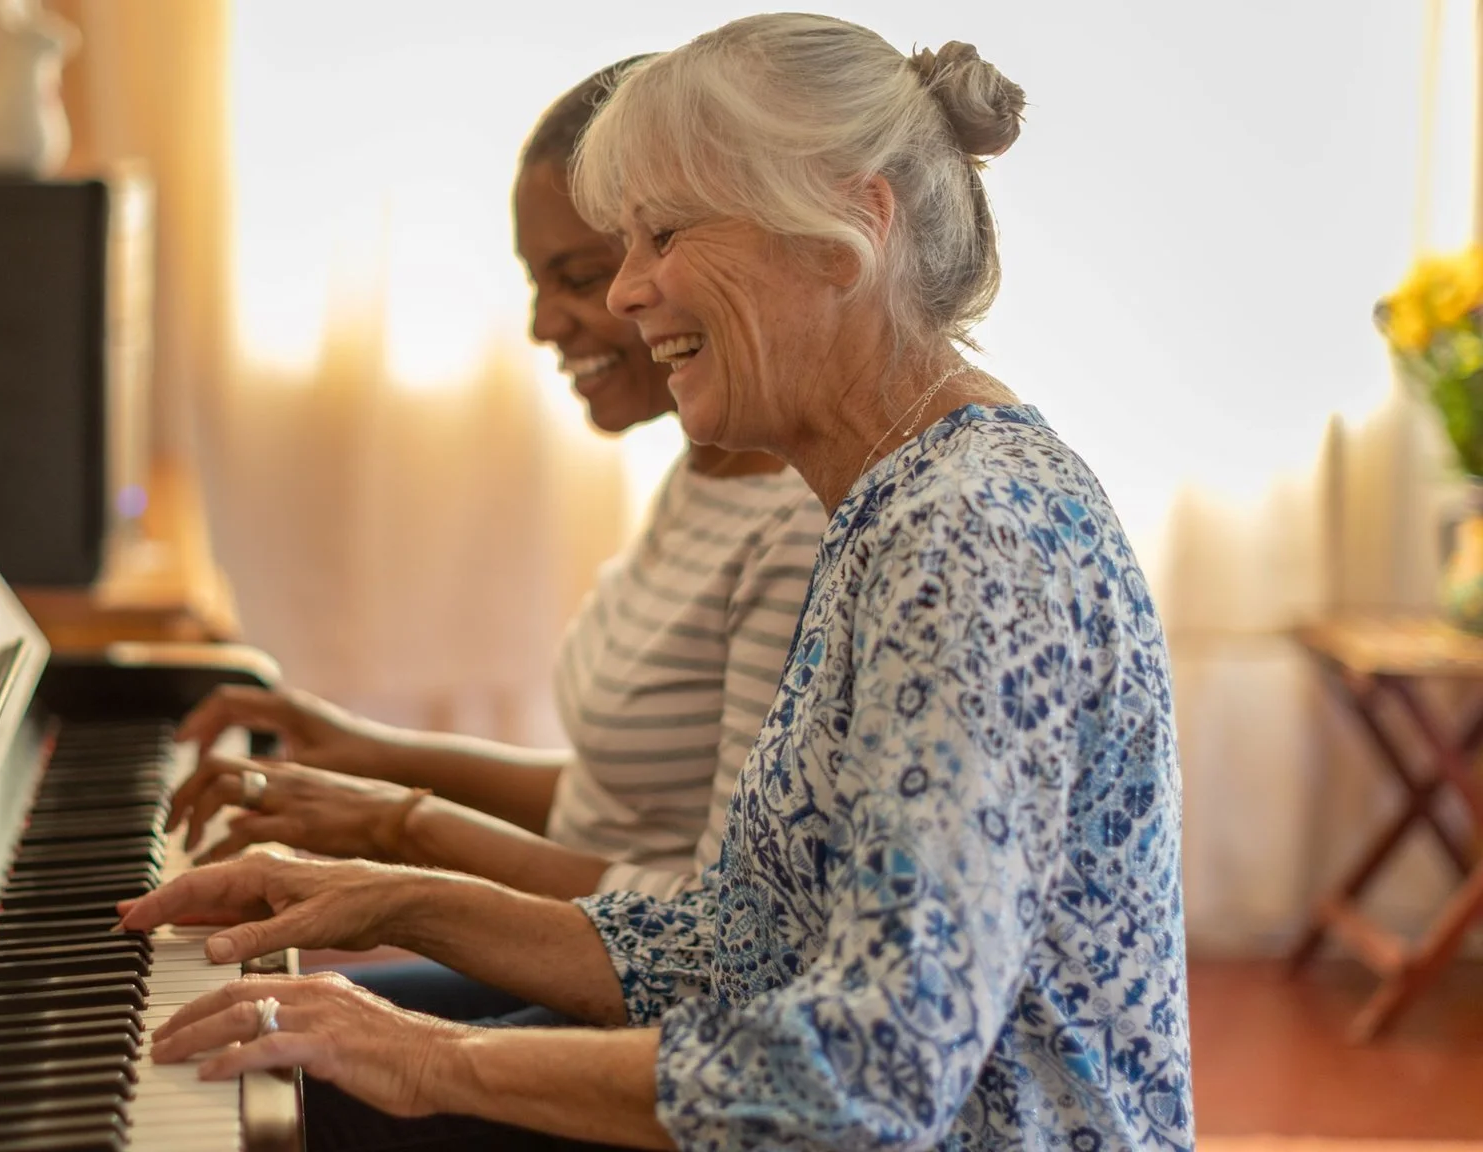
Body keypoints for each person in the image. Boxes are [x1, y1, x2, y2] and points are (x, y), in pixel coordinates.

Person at [123, 14, 1192, 1152]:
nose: (628, 293)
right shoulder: (891, 503)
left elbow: (872, 1076)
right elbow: (743, 944)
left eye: (662, 235)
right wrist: (392, 890)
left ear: (848, 227)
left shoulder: (968, 536)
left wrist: (428, 1052)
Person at [166, 61, 826, 972]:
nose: (543, 325)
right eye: (536, 281)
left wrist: (397, 825)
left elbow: (714, 933)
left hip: (640, 1005)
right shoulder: (706, 471)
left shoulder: (792, 531)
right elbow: (611, 806)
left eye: (578, 277)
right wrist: (369, 754)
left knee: (265, 1038)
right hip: (588, 962)